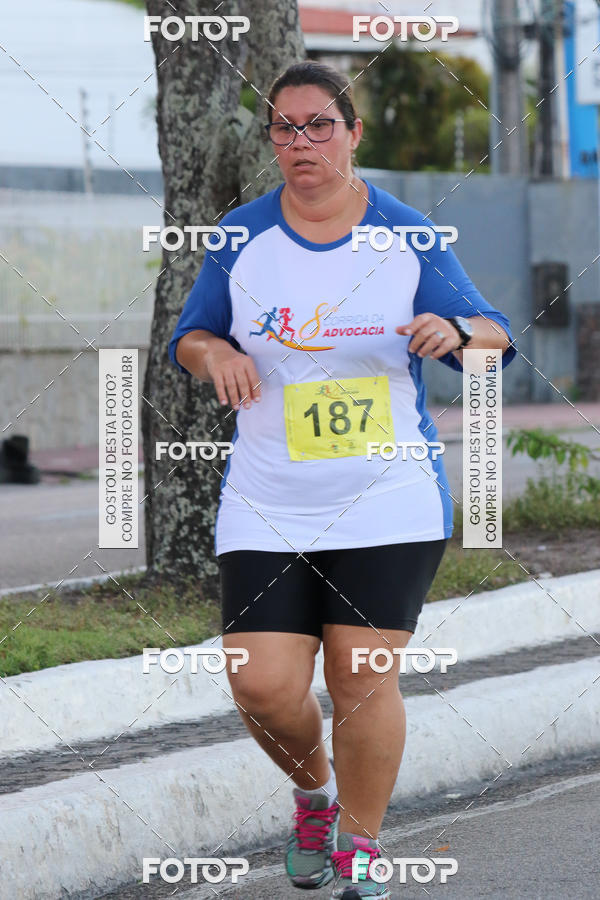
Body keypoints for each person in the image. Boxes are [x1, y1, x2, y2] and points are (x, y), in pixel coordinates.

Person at [169, 60, 516, 900]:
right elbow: (192, 335)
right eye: (285, 127)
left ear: (353, 133)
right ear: (272, 141)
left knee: (360, 677)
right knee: (262, 685)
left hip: (386, 497)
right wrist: (215, 356)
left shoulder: (408, 235)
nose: (302, 142)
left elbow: (496, 334)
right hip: (269, 498)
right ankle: (315, 796)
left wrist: (455, 328)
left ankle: (361, 845)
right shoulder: (241, 237)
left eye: (319, 125)